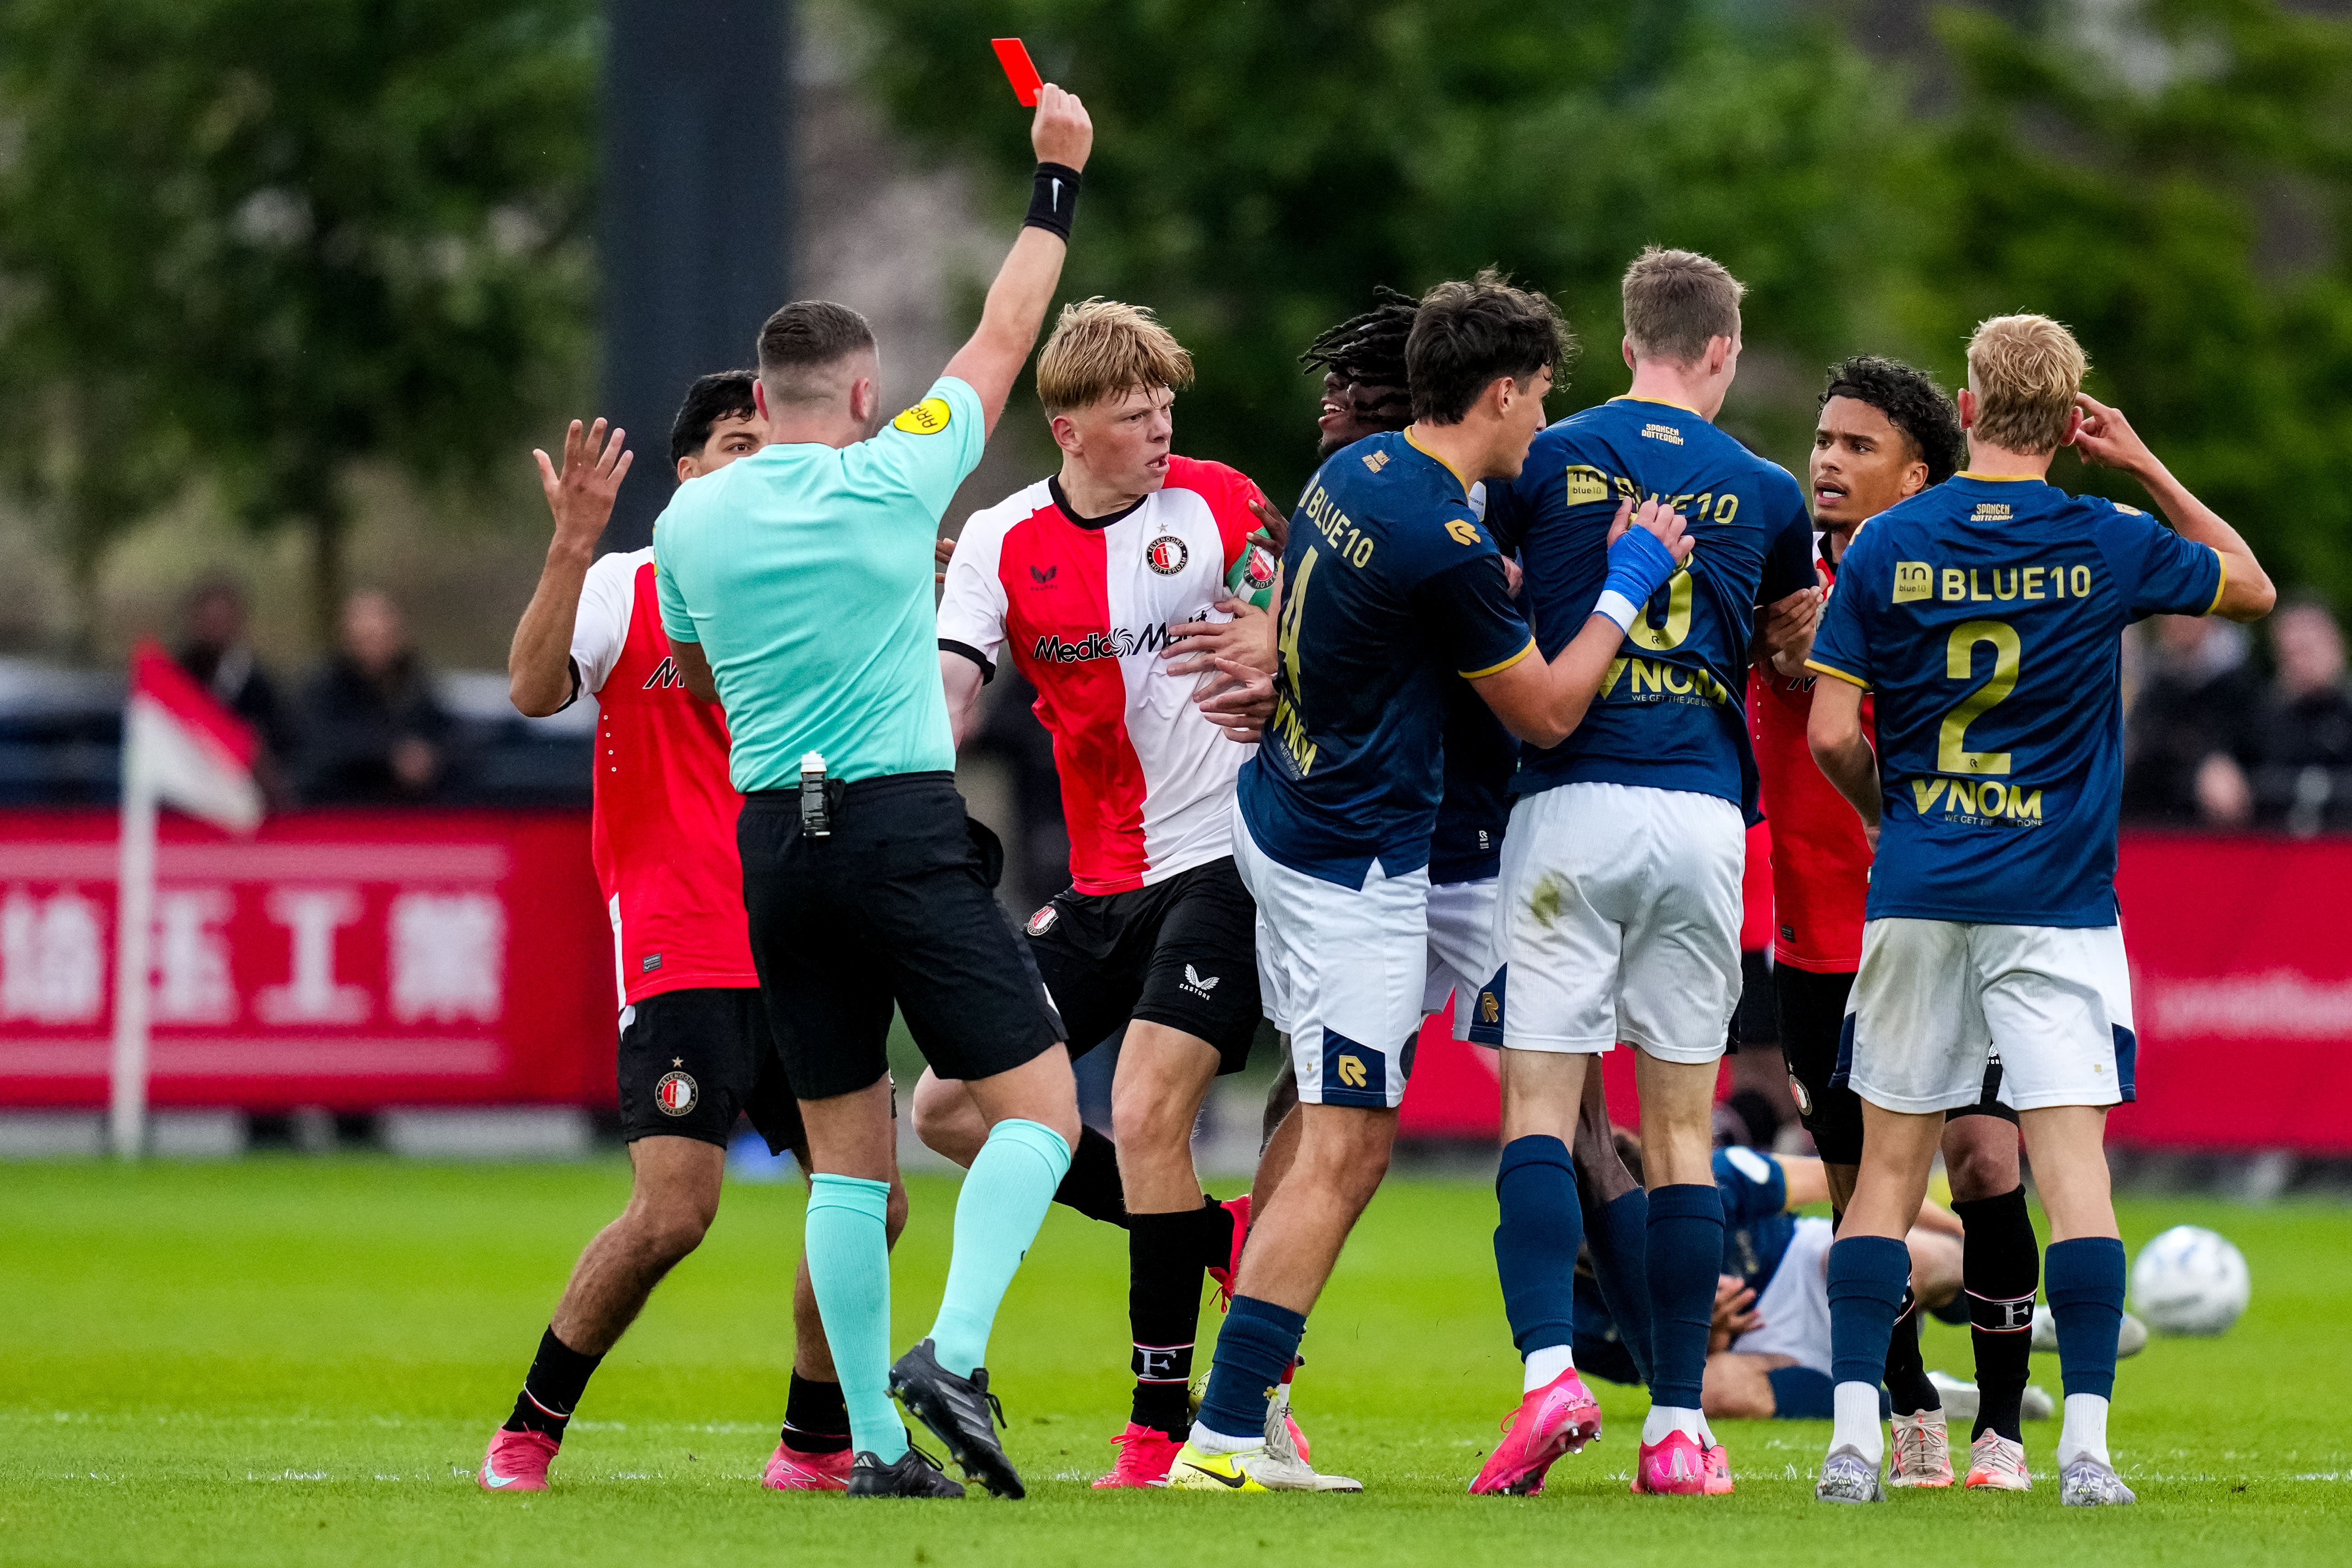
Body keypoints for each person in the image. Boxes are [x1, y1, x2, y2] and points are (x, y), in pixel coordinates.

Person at [1167, 270, 1691, 1494]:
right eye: (1540, 398)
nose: (1544, 425)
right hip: (1357, 873)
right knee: (1350, 1147)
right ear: (1499, 391)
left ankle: (1670, 1410)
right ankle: (1226, 1435)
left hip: (1316, 829)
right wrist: (1628, 579)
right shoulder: (1441, 537)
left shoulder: (1353, 475)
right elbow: (1551, 711)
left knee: (1545, 1086)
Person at [650, 84, 1095, 1501]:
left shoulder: (689, 516)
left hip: (772, 836)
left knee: (846, 1157)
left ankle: (881, 1453)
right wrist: (1055, 177)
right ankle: (951, 1350)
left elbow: (698, 675)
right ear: (855, 393)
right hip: (901, 819)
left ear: (756, 401)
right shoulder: (890, 480)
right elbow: (1008, 332)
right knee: (1038, 1114)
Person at [1806, 313, 2274, 1507]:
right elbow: (2252, 585)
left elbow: (1826, 735)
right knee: (2074, 1179)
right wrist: (2147, 466)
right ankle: (2085, 1453)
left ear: (1963, 412)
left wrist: (1892, 808)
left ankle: (1855, 1439)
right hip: (2055, 903)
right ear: (2072, 422)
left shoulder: (1883, 542)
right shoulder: (2107, 536)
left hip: (1920, 886)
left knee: (1884, 1179)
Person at [477, 373, 904, 1494]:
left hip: (809, 935)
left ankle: (811, 1448)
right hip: (685, 939)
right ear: (689, 474)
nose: (759, 463)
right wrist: (571, 547)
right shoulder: (632, 586)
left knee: (875, 1205)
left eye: (776, 446)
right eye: (732, 443)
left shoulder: (830, 596)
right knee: (675, 1212)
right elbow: (530, 690)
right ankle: (528, 1429)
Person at [1474, 247, 1815, 1497]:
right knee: (1679, 1129)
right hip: (1705, 819)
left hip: (1572, 803)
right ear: (1721, 351)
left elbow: (1484, 574)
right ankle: (1679, 1426)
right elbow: (1791, 637)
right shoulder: (1768, 488)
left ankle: (1550, 1373)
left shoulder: (1550, 457)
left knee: (1541, 1104)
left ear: (1629, 345)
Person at [919, 298, 1277, 1487]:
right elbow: (955, 685)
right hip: (1096, 883)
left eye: (1168, 407)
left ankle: (1159, 1423)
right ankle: (1201, 1236)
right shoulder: (1003, 539)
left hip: (1223, 857)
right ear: (1069, 427)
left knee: (1143, 1104)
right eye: (1135, 415)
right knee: (947, 1108)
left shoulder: (1219, 504)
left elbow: (1296, 618)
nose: (1161, 430)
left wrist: (1275, 645)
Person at [1751, 355, 2048, 1490]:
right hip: (1820, 936)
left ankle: (2004, 1431)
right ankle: (1910, 1405)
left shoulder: (1958, 587)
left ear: (1919, 473)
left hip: (1948, 918)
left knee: (1982, 1159)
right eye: (1822, 442)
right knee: (1850, 1184)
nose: (1826, 461)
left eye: (1855, 446)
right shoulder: (1776, 589)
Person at [294, 589, 455, 803]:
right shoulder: (322, 689)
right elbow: (321, 748)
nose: (376, 648)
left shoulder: (414, 683)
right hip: (344, 808)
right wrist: (389, 756)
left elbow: (444, 731)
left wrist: (429, 756)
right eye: (367, 638)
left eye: (384, 637)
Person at [2119, 614, 2263, 825]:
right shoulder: (2156, 688)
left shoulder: (2240, 687)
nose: (2179, 622)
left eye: (2188, 613)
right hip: (2165, 827)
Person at [174, 575, 295, 805]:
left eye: (223, 618)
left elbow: (278, 741)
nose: (215, 627)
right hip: (187, 794)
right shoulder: (178, 678)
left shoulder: (257, 683)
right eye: (209, 619)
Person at [2253, 599, 2352, 833]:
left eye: (2310, 648)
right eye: (2293, 652)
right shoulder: (2261, 721)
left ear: (2338, 645)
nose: (2302, 662)